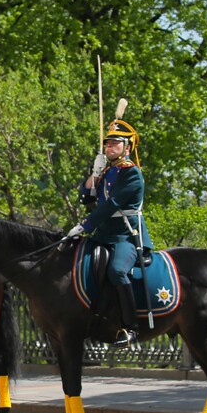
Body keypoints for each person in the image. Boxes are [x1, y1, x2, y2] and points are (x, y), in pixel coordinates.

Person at [67, 117, 152, 349]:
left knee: (117, 271)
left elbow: (111, 205)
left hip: (126, 234)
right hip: (103, 234)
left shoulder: (131, 173)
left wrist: (85, 226)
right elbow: (85, 198)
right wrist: (95, 174)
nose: (109, 147)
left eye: (115, 143)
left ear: (127, 148)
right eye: (107, 144)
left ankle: (131, 327)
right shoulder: (106, 171)